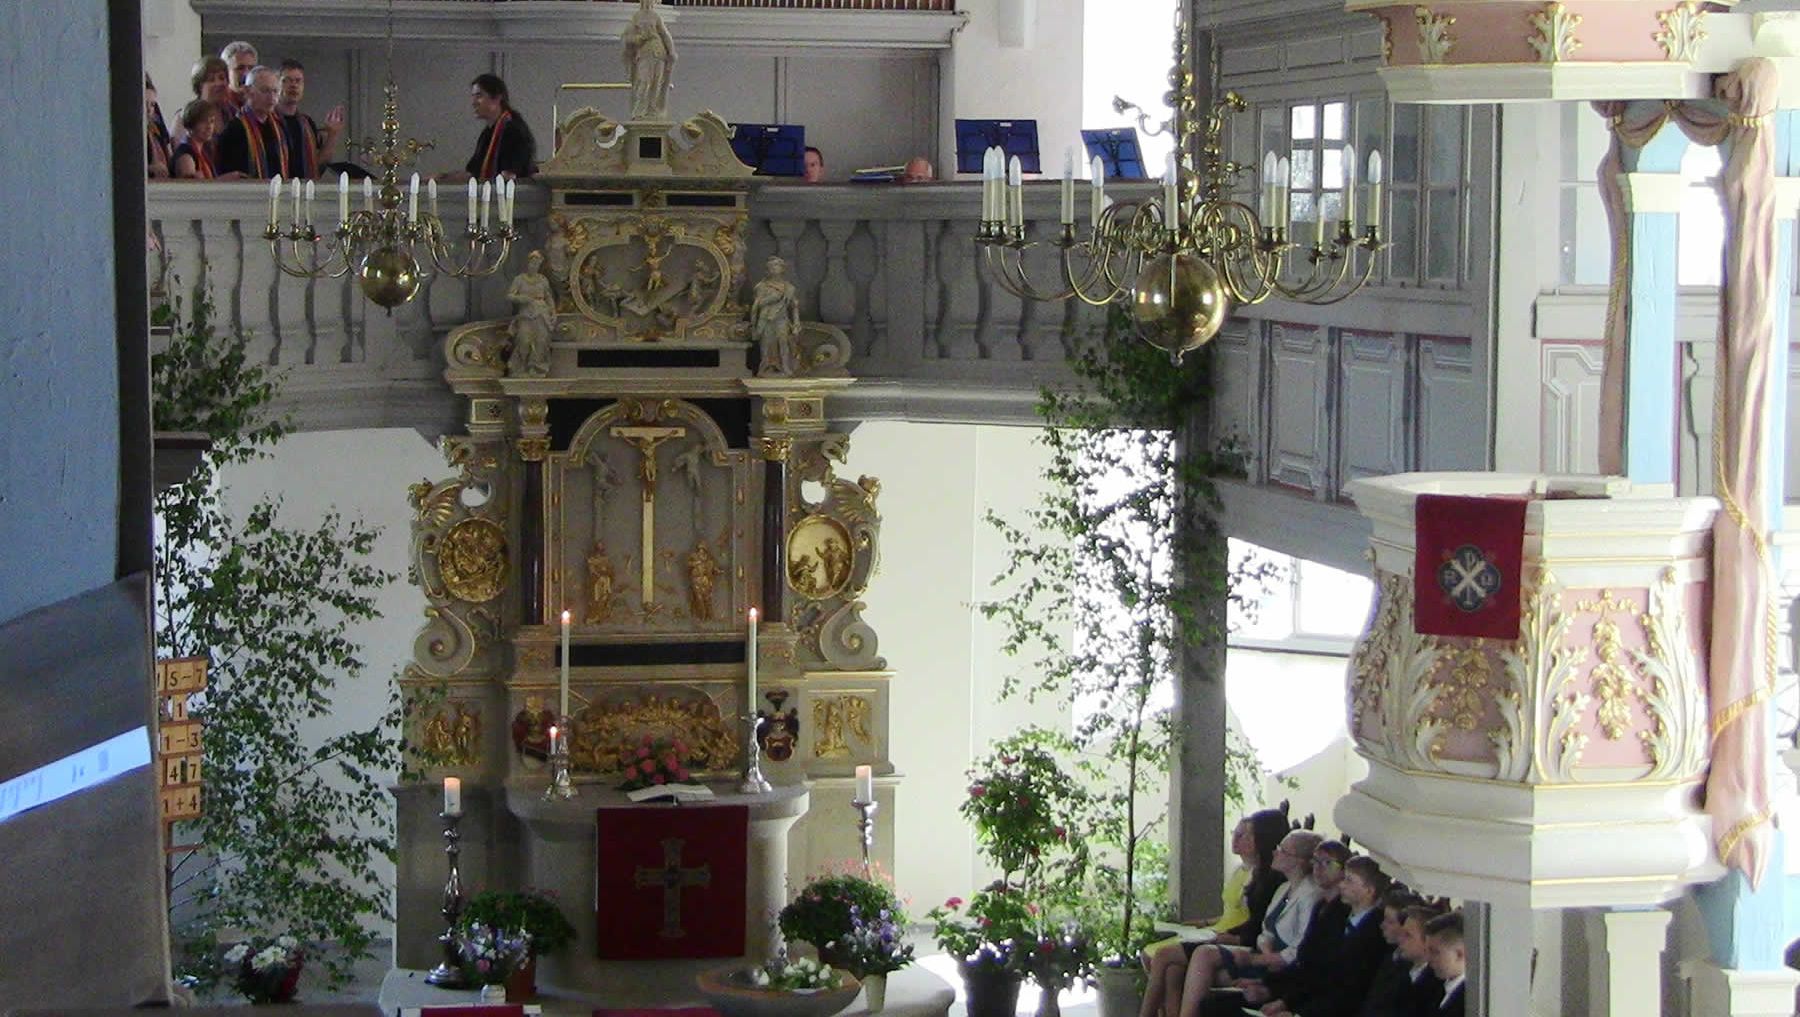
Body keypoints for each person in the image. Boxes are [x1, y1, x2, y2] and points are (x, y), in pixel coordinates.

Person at [1142, 810, 1290, 1017]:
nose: (1239, 839)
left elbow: (1257, 923)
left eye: (1249, 834)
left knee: (1164, 955)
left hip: (1245, 943)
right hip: (1234, 935)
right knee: (1171, 968)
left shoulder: (1273, 879)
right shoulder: (1256, 873)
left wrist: (1231, 936)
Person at [1178, 829, 1325, 1017]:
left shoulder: (1311, 895)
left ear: (1298, 861)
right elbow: (1266, 931)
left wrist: (1258, 960)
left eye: (1283, 850)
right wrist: (1265, 951)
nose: (1275, 852)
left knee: (1201, 974)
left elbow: (1298, 949)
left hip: (1283, 967)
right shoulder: (1283, 888)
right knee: (1199, 958)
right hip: (1266, 957)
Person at [449, 74, 535, 182]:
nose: (473, 102)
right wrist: (441, 178)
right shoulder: (487, 134)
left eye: (479, 96)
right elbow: (473, 173)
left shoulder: (515, 131)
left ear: (497, 98)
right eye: (473, 96)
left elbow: (510, 174)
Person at [275, 59, 344, 180]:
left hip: (304, 189)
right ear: (276, 85)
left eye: (298, 81)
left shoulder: (306, 124)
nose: (293, 85)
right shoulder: (268, 121)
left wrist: (333, 135)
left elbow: (318, 165)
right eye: (287, 80)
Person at [216, 66, 289, 179]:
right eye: (265, 91)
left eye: (275, 91)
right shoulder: (234, 129)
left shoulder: (280, 127)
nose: (272, 97)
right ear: (248, 91)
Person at [621, 0, 676, 121]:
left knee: (657, 82)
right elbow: (627, 38)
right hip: (645, 53)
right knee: (644, 81)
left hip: (659, 52)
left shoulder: (655, 16)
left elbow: (665, 34)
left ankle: (652, 109)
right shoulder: (637, 17)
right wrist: (641, 38)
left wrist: (671, 51)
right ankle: (640, 109)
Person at [506, 250, 556, 377]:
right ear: (528, 263)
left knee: (541, 340)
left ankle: (536, 367)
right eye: (532, 263)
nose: (534, 266)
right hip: (525, 314)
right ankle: (520, 367)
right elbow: (510, 295)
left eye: (537, 264)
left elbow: (548, 297)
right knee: (523, 339)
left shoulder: (543, 280)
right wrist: (522, 298)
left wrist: (553, 312)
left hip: (541, 313)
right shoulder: (519, 279)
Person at [751, 255, 802, 376]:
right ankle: (765, 365)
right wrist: (771, 299)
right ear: (767, 270)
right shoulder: (761, 286)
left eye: (777, 266)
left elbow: (794, 306)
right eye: (771, 267)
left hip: (782, 318)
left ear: (782, 269)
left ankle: (785, 365)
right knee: (766, 344)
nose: (774, 269)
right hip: (766, 319)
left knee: (783, 341)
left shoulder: (789, 288)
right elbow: (757, 305)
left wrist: (796, 323)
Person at [171, 100, 241, 180]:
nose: (209, 127)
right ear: (190, 123)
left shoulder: (205, 151)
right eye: (203, 121)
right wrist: (225, 179)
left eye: (212, 121)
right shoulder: (186, 156)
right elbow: (190, 190)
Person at [1423, 913, 1464, 1016]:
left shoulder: (1471, 1000)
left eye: (1435, 952)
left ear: (1459, 954)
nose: (1428, 958)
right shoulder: (1434, 985)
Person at [220, 40, 259, 114]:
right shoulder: (219, 106)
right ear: (225, 72)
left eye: (251, 68)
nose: (246, 74)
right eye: (240, 68)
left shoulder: (262, 106)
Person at [146, 74, 172, 179]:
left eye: (152, 105)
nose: (149, 110)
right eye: (144, 104)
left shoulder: (155, 129)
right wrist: (150, 168)